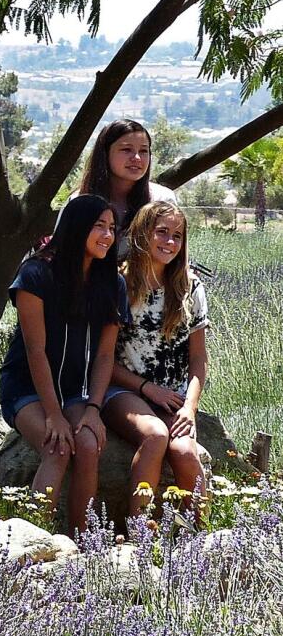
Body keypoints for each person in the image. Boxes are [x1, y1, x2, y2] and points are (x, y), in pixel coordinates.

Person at [0, 194, 128, 535]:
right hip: (26, 388)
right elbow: (35, 350)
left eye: (112, 228)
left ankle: (79, 543)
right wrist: (54, 415)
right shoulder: (35, 274)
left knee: (87, 444)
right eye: (98, 226)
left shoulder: (113, 284)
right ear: (76, 226)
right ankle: (30, 542)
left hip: (75, 390)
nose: (107, 235)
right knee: (57, 448)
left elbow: (103, 356)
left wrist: (93, 409)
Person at [103, 202, 209, 519]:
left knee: (185, 451)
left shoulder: (190, 287)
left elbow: (199, 358)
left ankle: (198, 538)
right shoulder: (120, 284)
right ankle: (140, 532)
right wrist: (147, 388)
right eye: (161, 232)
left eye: (177, 236)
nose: (170, 242)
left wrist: (189, 406)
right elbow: (103, 359)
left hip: (173, 396)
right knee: (155, 435)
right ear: (142, 234)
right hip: (124, 390)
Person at [78, 119, 175, 257]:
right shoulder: (80, 201)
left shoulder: (162, 200)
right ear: (105, 153)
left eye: (143, 151)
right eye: (126, 150)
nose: (136, 157)